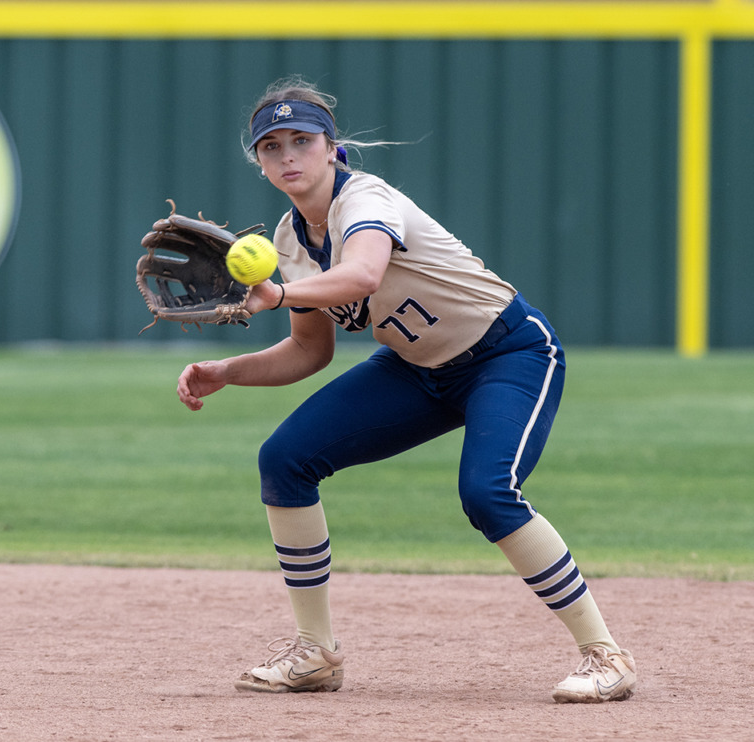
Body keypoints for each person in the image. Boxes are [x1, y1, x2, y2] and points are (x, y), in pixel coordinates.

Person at [176, 76, 636, 703]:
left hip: (509, 352)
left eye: (302, 141)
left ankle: (605, 656)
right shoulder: (287, 243)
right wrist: (227, 371)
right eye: (271, 146)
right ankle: (316, 653)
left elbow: (363, 271)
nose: (288, 156)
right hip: (417, 368)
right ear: (258, 161)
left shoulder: (364, 199)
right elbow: (311, 350)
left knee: (487, 493)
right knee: (285, 461)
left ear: (331, 147)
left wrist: (278, 294)